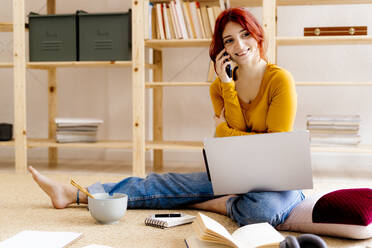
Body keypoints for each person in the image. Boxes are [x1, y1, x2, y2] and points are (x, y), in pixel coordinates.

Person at [28, 7, 304, 227]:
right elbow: (232, 139)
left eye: (245, 35)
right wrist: (228, 88)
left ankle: (216, 202)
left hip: (274, 180)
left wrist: (224, 132)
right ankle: (74, 193)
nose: (239, 45)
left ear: (257, 35)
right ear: (222, 48)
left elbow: (271, 147)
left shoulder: (280, 80)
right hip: (235, 173)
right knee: (162, 183)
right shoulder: (219, 86)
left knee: (261, 211)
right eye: (229, 40)